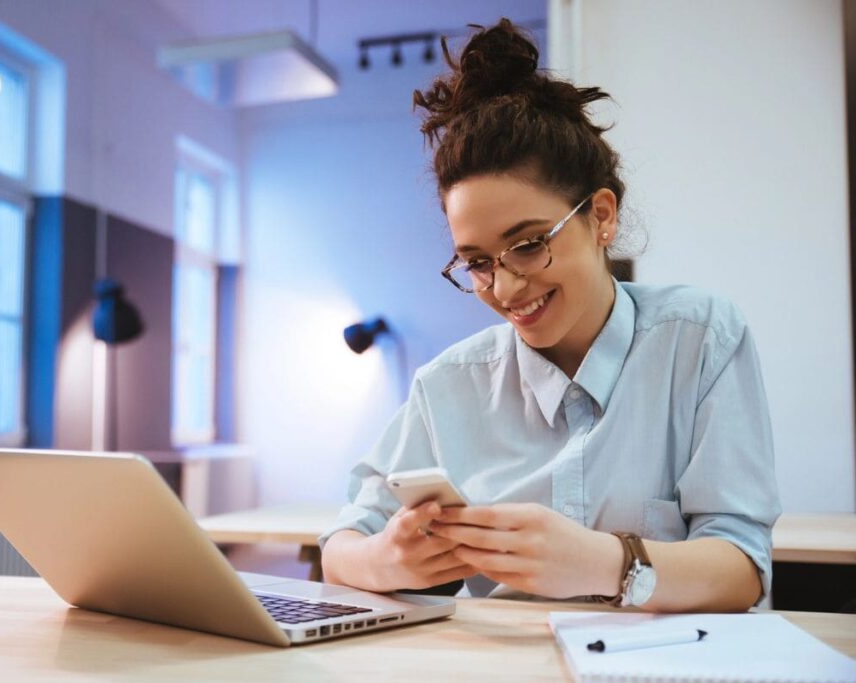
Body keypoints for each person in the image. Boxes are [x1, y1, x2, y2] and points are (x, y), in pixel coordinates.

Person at [319, 18, 781, 612]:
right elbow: (339, 545)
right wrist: (386, 558)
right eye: (478, 262)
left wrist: (605, 561)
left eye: (530, 243)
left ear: (603, 217)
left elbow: (743, 566)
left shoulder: (699, 339)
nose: (506, 287)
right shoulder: (448, 386)